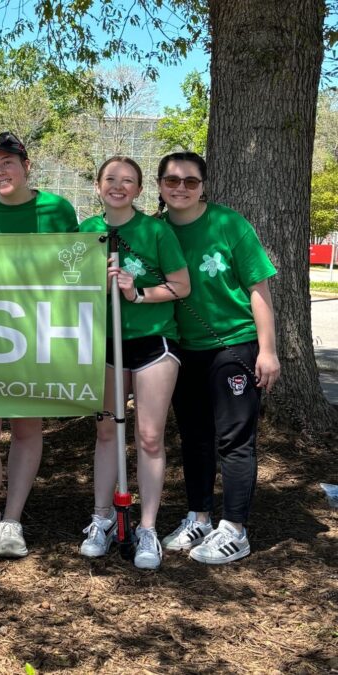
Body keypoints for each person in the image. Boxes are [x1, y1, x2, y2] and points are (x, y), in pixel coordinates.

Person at [0, 132, 78, 557]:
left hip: (35, 333)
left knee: (27, 426)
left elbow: (74, 270)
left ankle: (12, 520)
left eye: (8, 162)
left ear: (26, 166)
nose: (0, 171)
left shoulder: (57, 210)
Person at [155, 151, 279, 564]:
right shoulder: (153, 230)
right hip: (180, 349)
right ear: (159, 185)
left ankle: (235, 529)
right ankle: (200, 516)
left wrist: (268, 350)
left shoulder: (229, 224)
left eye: (191, 181)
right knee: (194, 437)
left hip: (233, 344)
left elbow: (258, 289)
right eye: (172, 180)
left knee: (234, 440)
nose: (181, 188)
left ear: (203, 186)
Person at [78, 156, 190, 569]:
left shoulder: (155, 230)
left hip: (153, 344)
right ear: (98, 185)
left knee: (148, 436)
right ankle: (102, 519)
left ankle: (146, 528)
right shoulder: (87, 231)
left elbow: (181, 285)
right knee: (106, 432)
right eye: (111, 179)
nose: (118, 186)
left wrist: (136, 292)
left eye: (128, 181)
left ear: (139, 190)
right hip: (104, 345)